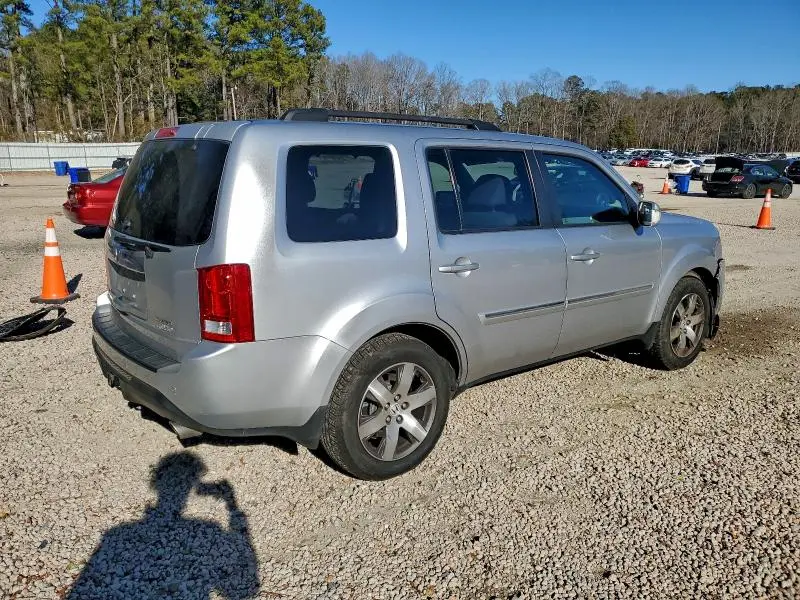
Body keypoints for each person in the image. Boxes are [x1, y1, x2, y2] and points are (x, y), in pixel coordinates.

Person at [67, 452, 259, 600]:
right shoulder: (210, 528)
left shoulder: (116, 535)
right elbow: (244, 591)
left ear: (156, 485)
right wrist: (232, 506)